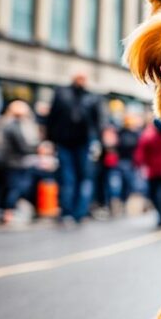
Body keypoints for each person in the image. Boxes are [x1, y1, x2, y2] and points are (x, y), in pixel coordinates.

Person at [46, 71, 103, 224]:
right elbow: (52, 117)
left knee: (83, 178)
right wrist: (49, 140)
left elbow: (98, 122)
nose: (81, 81)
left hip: (84, 143)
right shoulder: (62, 93)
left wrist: (98, 142)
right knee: (67, 178)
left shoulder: (93, 97)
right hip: (64, 142)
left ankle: (80, 212)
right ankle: (67, 211)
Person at [0, 100, 41, 224]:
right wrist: (36, 148)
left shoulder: (7, 123)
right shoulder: (13, 125)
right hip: (15, 162)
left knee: (14, 187)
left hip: (15, 162)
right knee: (15, 188)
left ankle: (9, 211)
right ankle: (8, 212)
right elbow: (21, 146)